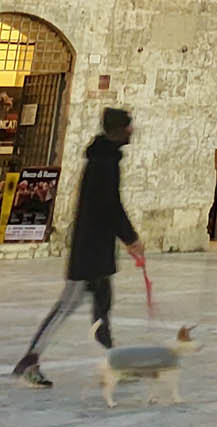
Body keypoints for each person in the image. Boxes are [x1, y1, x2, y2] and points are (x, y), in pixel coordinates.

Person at [12, 107, 144, 387]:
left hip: (96, 249)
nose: (132, 131)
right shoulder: (103, 163)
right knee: (66, 307)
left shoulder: (105, 158)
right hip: (89, 252)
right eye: (128, 127)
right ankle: (29, 361)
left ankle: (114, 363)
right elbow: (109, 206)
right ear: (118, 130)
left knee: (103, 307)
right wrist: (131, 238)